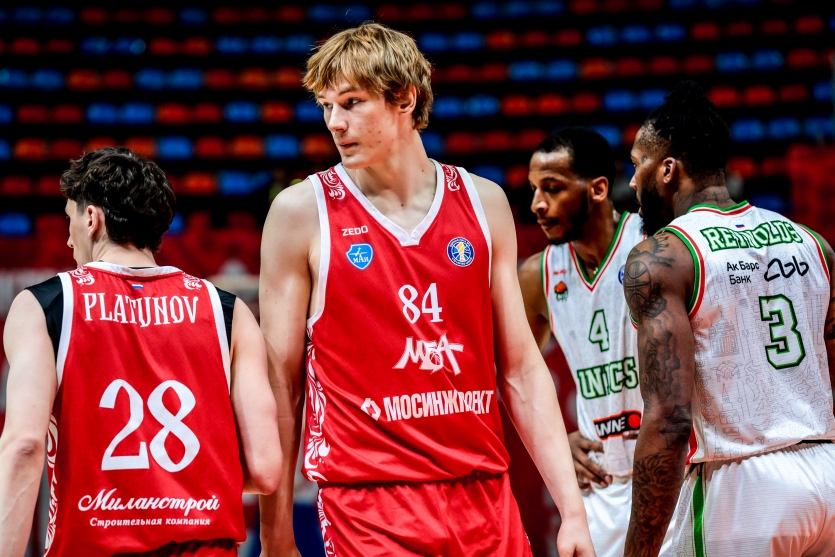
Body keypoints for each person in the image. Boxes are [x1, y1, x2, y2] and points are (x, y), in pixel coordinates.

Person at [258, 23, 594, 557]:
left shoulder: (483, 203)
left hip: (485, 498)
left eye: (352, 103)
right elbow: (281, 385)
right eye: (326, 106)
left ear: (405, 98)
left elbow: (521, 370)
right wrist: (276, 536)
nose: (335, 123)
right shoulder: (301, 213)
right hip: (368, 506)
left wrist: (572, 511)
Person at [0, 147, 282, 556]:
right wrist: (172, 485)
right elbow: (266, 471)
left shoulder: (46, 305)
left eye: (69, 220)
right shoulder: (228, 311)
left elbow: (25, 445)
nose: (68, 238)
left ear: (92, 219)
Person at [623, 81, 835, 557]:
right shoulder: (812, 243)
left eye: (638, 164)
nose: (633, 182)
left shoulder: (663, 257)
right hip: (828, 472)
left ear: (668, 170)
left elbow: (670, 419)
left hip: (743, 486)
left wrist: (638, 551)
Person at [519, 127, 671, 557]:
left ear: (599, 189)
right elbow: (516, 377)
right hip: (602, 481)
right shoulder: (537, 275)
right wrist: (555, 442)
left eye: (552, 189)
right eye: (534, 189)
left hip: (672, 470)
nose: (537, 204)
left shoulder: (655, 244)